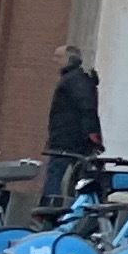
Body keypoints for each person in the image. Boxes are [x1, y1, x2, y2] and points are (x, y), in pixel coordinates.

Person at [43, 42, 98, 206]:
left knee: (57, 173)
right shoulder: (76, 79)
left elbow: (86, 107)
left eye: (58, 56)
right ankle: (78, 206)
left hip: (67, 137)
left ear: (70, 59)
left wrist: (92, 133)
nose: (55, 60)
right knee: (78, 173)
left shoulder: (74, 80)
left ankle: (50, 208)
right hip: (71, 136)